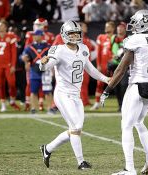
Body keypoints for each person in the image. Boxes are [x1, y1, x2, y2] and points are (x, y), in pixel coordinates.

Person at [100, 1, 148, 174]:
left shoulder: (134, 40)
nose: (133, 25)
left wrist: (107, 90)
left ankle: (129, 169)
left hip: (137, 85)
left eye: (136, 22)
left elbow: (121, 69)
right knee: (139, 122)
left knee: (126, 126)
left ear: (144, 23)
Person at [39, 20, 110, 170]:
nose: (75, 36)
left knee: (75, 129)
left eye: (77, 33)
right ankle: (81, 162)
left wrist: (105, 79)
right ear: (64, 34)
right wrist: (43, 63)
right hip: (63, 94)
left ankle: (47, 149)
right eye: (71, 33)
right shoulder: (58, 49)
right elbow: (46, 67)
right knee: (76, 127)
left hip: (76, 95)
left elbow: (90, 69)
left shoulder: (84, 48)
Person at [0, 19, 20, 112]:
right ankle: (3, 104)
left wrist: (13, 65)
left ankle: (12, 99)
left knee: (12, 83)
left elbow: (14, 53)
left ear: (6, 27)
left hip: (8, 65)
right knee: (1, 85)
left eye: (1, 26)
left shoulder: (11, 36)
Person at [21, 30, 53, 114]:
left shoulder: (48, 46)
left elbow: (53, 57)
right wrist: (24, 58)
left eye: (36, 35)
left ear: (41, 36)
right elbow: (23, 55)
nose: (34, 36)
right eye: (34, 35)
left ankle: (50, 108)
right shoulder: (30, 46)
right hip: (34, 70)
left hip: (45, 70)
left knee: (47, 91)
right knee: (33, 91)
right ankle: (33, 108)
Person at [91, 21, 116, 110]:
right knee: (99, 84)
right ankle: (97, 103)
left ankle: (122, 103)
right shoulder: (101, 37)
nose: (106, 28)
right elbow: (98, 52)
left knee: (116, 84)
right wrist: (98, 64)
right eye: (106, 26)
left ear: (113, 28)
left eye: (108, 27)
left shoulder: (115, 38)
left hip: (113, 65)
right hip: (103, 64)